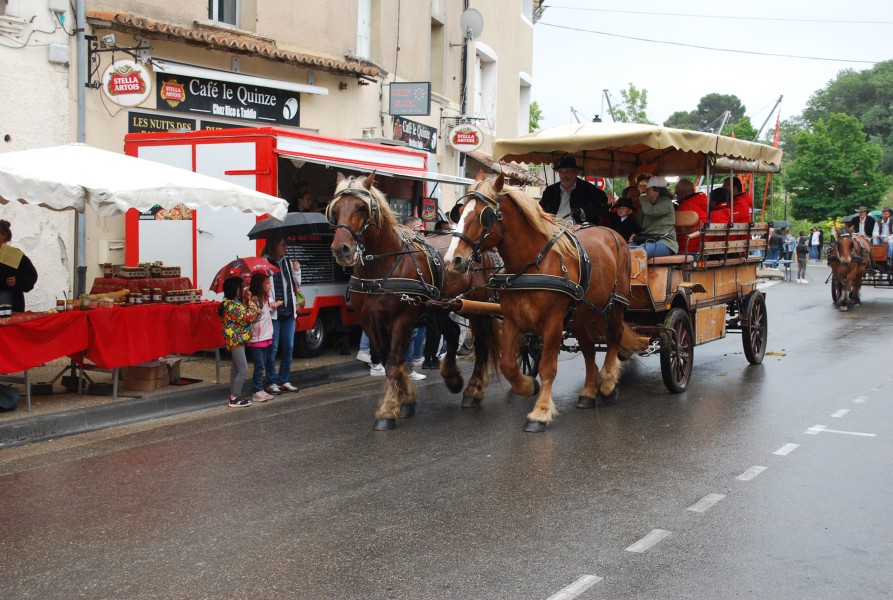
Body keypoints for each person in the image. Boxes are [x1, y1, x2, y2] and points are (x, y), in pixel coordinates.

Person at [261, 235, 302, 394]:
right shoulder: (265, 263)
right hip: (275, 313)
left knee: (289, 348)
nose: (286, 247)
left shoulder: (286, 261)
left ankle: (284, 380)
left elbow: (296, 284)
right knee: (273, 349)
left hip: (288, 311)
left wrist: (297, 270)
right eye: (283, 244)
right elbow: (263, 286)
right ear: (274, 245)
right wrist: (270, 300)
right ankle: (271, 382)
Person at [218, 276, 261, 408]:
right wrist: (252, 303)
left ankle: (234, 395)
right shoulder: (233, 306)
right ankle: (235, 397)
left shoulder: (232, 304)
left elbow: (246, 318)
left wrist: (248, 303)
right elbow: (247, 317)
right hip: (236, 340)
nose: (244, 289)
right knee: (243, 368)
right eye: (241, 287)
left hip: (237, 339)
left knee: (236, 369)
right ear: (235, 290)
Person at [539, 156, 609, 226]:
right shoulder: (550, 190)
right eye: (561, 172)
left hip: (579, 228)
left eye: (567, 172)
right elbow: (541, 208)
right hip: (553, 227)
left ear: (575, 172)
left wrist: (582, 212)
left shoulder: (588, 189)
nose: (564, 176)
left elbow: (600, 204)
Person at [247, 271, 283, 403]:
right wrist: (257, 311)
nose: (270, 286)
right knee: (259, 366)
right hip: (257, 338)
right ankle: (256, 391)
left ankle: (260, 389)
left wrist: (275, 305)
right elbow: (253, 318)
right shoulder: (254, 300)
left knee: (262, 365)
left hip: (265, 337)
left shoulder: (266, 298)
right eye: (267, 284)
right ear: (259, 286)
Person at [630, 176, 677, 257]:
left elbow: (650, 212)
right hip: (646, 240)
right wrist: (635, 234)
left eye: (648, 189)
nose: (646, 191)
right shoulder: (647, 204)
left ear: (657, 190)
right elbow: (638, 223)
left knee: (638, 252)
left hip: (665, 242)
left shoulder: (666, 202)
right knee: (623, 250)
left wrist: (642, 194)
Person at [0, 220, 38, 313]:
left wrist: (17, 280)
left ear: (4, 235)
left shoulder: (14, 255)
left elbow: (31, 275)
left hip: (9, 302)